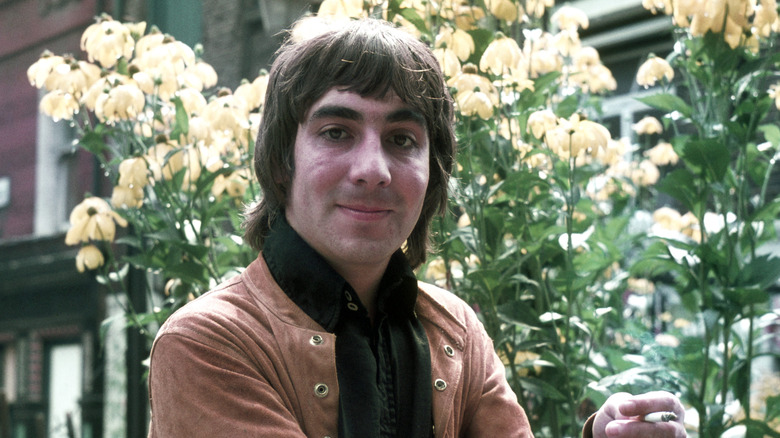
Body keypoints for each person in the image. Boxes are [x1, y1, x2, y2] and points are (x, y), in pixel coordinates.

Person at [146, 17, 686, 438]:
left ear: (433, 174)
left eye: (403, 139)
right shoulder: (208, 343)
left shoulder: (457, 330)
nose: (373, 170)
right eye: (336, 132)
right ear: (281, 160)